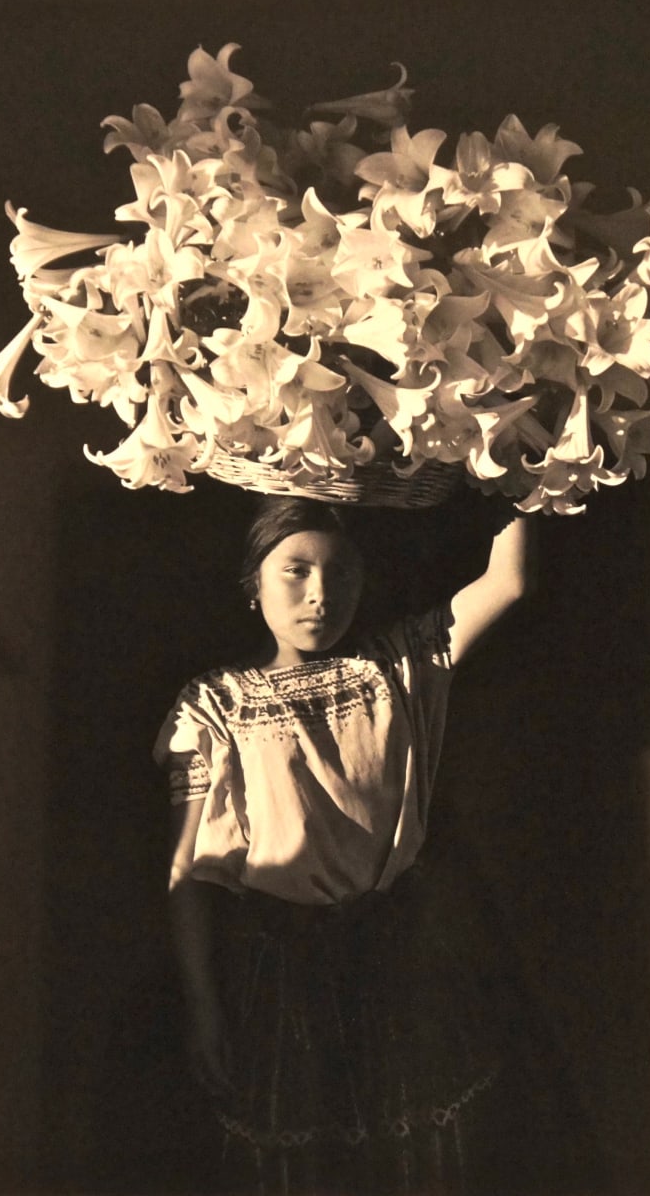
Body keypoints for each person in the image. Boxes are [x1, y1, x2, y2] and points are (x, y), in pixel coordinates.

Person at [153, 494, 532, 1195]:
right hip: (281, 971)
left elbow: (505, 582)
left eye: (340, 573)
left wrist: (508, 461)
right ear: (254, 583)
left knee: (413, 1162)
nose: (320, 594)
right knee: (298, 1164)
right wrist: (204, 1006)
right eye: (296, 571)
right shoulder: (214, 704)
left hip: (398, 960)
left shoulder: (398, 669)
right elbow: (189, 868)